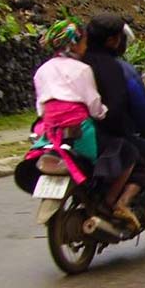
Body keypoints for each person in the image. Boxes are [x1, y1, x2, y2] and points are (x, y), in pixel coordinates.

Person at [82, 13, 145, 229]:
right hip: (111, 134)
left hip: (79, 132)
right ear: (113, 41)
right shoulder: (123, 70)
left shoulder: (77, 63)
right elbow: (142, 115)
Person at [28, 19, 106, 186]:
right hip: (79, 127)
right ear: (74, 45)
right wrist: (103, 112)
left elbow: (41, 107)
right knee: (102, 155)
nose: (86, 47)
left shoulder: (42, 70)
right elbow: (93, 103)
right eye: (84, 43)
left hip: (51, 126)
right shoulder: (82, 69)